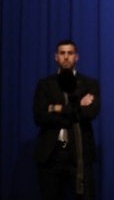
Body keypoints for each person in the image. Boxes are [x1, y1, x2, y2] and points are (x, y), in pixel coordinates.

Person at [33, 40, 100, 200]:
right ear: (56, 57)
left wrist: (55, 108)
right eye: (62, 53)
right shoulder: (45, 85)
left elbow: (90, 114)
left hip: (80, 154)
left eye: (70, 53)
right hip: (51, 154)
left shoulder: (89, 84)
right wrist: (76, 107)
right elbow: (40, 117)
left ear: (76, 57)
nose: (66, 57)